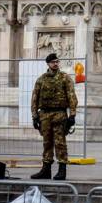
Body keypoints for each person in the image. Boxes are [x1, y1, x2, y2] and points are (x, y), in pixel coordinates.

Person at [30, 53, 78, 181]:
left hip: (59, 114)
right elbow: (34, 99)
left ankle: (62, 170)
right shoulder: (41, 79)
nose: (56, 64)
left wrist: (72, 115)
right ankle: (46, 169)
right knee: (47, 142)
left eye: (57, 61)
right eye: (53, 62)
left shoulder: (65, 78)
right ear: (48, 64)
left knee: (60, 143)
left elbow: (71, 97)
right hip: (44, 115)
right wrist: (34, 116)